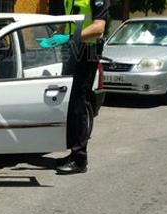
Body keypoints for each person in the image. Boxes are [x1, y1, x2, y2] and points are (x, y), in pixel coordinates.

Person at [51, 0, 110, 175]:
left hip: (88, 51)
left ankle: (80, 159)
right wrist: (55, 35)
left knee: (79, 103)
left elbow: (99, 27)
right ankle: (72, 153)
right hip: (72, 49)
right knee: (69, 103)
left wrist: (69, 37)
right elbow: (68, 22)